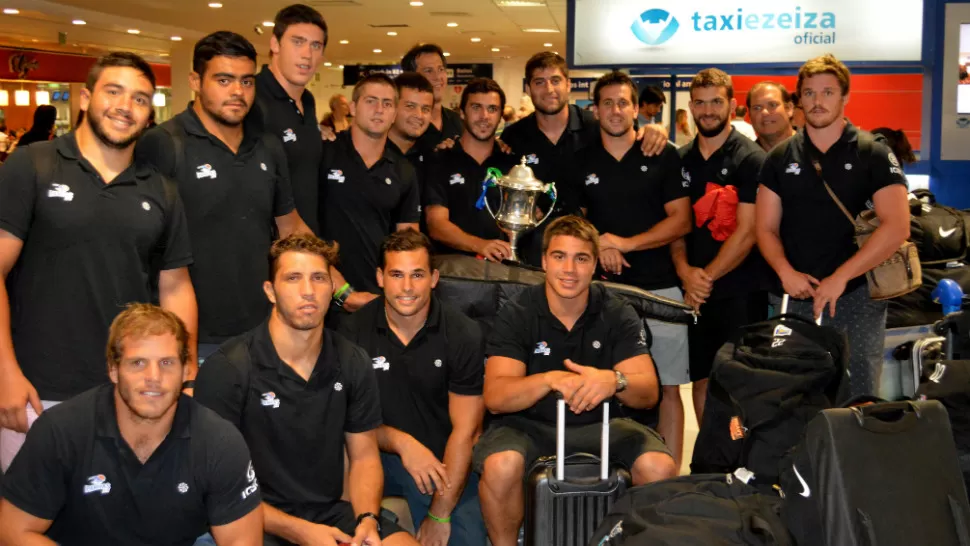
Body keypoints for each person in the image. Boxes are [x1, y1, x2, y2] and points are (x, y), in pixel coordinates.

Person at [0, 52, 197, 471]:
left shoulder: (161, 190)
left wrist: (185, 373)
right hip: (37, 388)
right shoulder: (32, 165)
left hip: (127, 390)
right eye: (114, 91)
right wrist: (5, 373)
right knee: (27, 524)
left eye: (141, 99)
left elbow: (175, 286)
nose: (126, 106)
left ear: (149, 114)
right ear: (87, 98)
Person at [194, 233, 418, 546]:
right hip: (252, 519)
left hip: (328, 514)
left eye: (318, 278)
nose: (308, 291)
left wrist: (367, 518)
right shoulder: (229, 369)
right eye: (293, 279)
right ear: (270, 291)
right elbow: (214, 489)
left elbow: (365, 457)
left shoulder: (352, 360)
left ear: (331, 289)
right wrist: (301, 533)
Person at [473, 215, 677, 546]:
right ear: (543, 261)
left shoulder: (616, 311)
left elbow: (649, 393)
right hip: (528, 424)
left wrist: (615, 380)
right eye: (559, 256)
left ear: (595, 264)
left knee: (660, 468)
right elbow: (496, 395)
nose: (570, 269)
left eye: (581, 258)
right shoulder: (518, 311)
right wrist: (550, 379)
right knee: (501, 465)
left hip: (605, 424)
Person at [0, 304, 262, 546]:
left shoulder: (219, 441)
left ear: (186, 371)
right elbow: (13, 531)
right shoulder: (61, 431)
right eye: (138, 363)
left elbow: (241, 541)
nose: (153, 378)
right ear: (114, 370)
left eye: (167, 363)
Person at [136, 32, 309, 361]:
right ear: (196, 81)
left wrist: (338, 287)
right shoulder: (163, 144)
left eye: (246, 81)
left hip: (264, 329)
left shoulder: (268, 145)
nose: (237, 92)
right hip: (192, 338)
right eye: (224, 80)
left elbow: (290, 227)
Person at [756, 54, 910, 397]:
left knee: (858, 395)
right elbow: (765, 228)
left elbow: (897, 226)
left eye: (827, 92)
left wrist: (841, 278)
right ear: (799, 100)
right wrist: (785, 272)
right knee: (795, 396)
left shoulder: (873, 153)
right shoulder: (780, 158)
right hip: (797, 295)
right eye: (809, 93)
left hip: (858, 296)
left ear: (845, 97)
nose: (817, 101)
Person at [574, 71, 692, 468]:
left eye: (623, 102)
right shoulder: (583, 158)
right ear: (595, 110)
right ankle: (615, 472)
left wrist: (624, 243)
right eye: (606, 103)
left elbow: (681, 220)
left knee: (668, 388)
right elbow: (576, 220)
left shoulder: (663, 154)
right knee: (609, 386)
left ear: (636, 108)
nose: (615, 110)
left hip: (661, 290)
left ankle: (669, 477)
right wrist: (598, 244)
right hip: (603, 293)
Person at [339, 230, 487, 546]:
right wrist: (403, 443)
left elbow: (466, 432)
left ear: (434, 278)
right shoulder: (352, 333)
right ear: (380, 277)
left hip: (442, 458)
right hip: (370, 453)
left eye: (417, 275)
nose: (407, 287)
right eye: (396, 275)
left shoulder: (463, 333)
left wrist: (439, 514)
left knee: (464, 539)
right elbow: (346, 421)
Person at [499, 52, 669, 266]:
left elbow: (632, 136)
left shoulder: (596, 127)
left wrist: (655, 129)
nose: (549, 89)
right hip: (531, 253)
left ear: (568, 85)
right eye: (539, 82)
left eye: (556, 80)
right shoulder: (513, 137)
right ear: (528, 88)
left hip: (590, 253)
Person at [672, 68, 769, 424]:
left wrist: (704, 279)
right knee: (701, 379)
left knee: (738, 382)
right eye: (700, 103)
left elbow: (748, 232)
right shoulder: (680, 161)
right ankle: (712, 464)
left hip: (739, 291)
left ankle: (740, 466)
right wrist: (685, 272)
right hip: (693, 292)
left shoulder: (750, 158)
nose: (708, 110)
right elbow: (676, 226)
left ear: (731, 104)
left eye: (716, 102)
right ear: (691, 106)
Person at [319, 73, 420, 304]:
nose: (379, 109)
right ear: (353, 107)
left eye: (387, 104)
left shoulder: (403, 170)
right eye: (370, 101)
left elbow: (408, 243)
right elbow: (299, 228)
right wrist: (342, 292)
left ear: (394, 113)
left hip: (377, 297)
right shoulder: (324, 153)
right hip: (323, 293)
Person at [254, 4, 328, 236]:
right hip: (269, 248)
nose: (307, 54)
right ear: (275, 44)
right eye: (297, 42)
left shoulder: (307, 101)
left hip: (306, 244)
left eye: (315, 45)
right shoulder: (253, 99)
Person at [425, 78, 518, 261]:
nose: (484, 116)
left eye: (492, 109)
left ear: (501, 115)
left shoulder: (511, 164)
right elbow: (436, 224)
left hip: (500, 272)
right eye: (476, 107)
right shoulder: (441, 159)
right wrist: (481, 245)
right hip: (452, 273)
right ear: (462, 113)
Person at [402, 43, 463, 149]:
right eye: (429, 71)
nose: (438, 77)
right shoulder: (404, 124)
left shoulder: (458, 121)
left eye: (441, 69)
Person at [386, 72, 435, 184]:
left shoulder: (432, 157)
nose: (419, 115)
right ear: (392, 107)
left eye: (426, 109)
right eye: (410, 106)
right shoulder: (372, 153)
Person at [747, 81, 796, 152]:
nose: (764, 112)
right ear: (750, 115)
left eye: (773, 105)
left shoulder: (813, 148)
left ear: (789, 109)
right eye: (757, 108)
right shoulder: (745, 159)